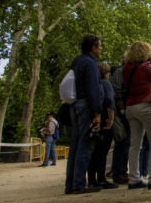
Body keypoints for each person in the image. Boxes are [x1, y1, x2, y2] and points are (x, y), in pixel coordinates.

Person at [123, 41, 151, 190]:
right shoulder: (146, 67)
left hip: (131, 107)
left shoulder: (126, 68)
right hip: (146, 105)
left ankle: (134, 179)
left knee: (135, 144)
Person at [65, 34, 103, 194]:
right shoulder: (90, 63)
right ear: (93, 48)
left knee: (75, 145)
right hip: (86, 104)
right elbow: (93, 89)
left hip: (75, 104)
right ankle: (79, 183)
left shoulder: (77, 61)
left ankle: (70, 184)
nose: (101, 48)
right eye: (100, 45)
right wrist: (97, 113)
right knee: (85, 145)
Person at [87, 62, 118, 189]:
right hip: (104, 119)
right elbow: (110, 100)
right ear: (107, 73)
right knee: (102, 151)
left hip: (93, 118)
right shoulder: (106, 83)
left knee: (94, 151)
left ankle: (92, 179)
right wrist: (111, 118)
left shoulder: (92, 84)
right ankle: (101, 179)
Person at [110, 53, 130, 185]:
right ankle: (118, 172)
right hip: (121, 111)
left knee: (127, 142)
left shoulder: (128, 71)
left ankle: (122, 171)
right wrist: (121, 106)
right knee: (122, 141)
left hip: (128, 109)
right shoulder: (119, 72)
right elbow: (116, 91)